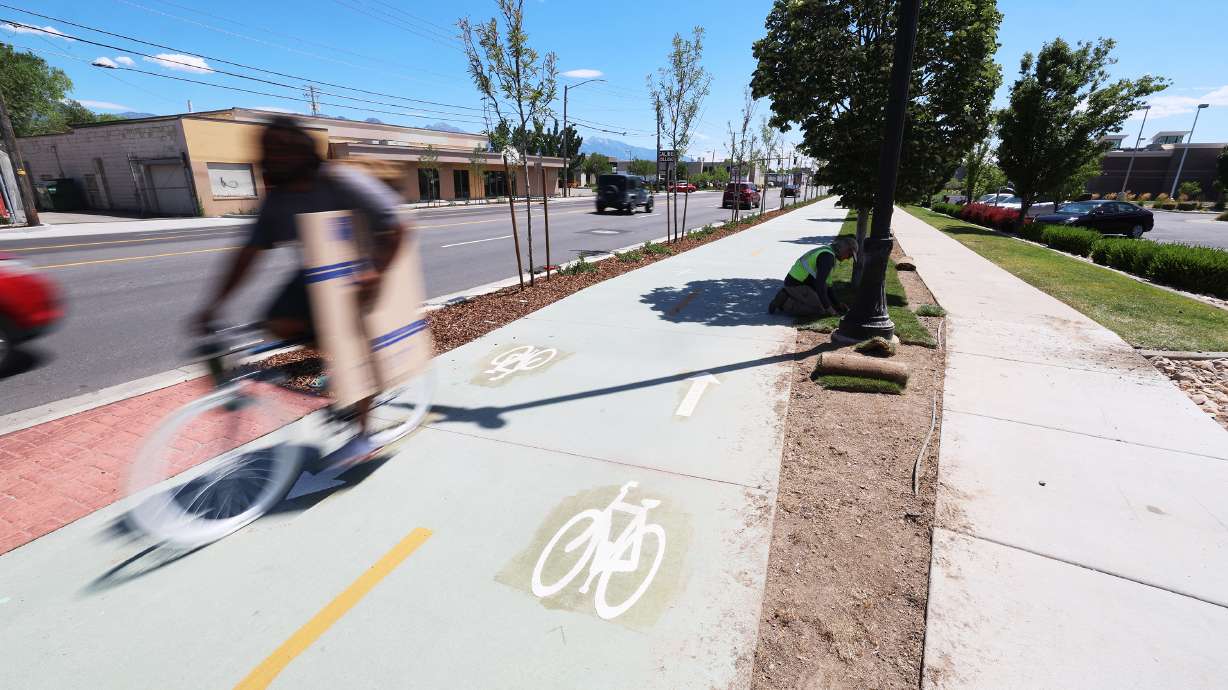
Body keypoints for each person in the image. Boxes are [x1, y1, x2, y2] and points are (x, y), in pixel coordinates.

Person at [194, 116, 408, 459]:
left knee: (351, 345)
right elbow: (248, 253)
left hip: (366, 266)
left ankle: (364, 434)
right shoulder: (278, 200)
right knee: (278, 323)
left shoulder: (340, 181)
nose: (273, 157)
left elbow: (398, 226)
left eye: (282, 149)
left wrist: (376, 272)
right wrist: (214, 305)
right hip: (319, 272)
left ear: (303, 151)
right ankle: (341, 365)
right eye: (268, 150)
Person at [767, 236, 857, 317]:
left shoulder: (829, 253)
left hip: (804, 283)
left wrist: (837, 304)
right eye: (850, 255)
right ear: (845, 249)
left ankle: (790, 295)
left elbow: (828, 286)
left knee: (825, 303)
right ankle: (784, 301)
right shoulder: (827, 257)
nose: (848, 258)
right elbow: (820, 286)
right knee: (819, 310)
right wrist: (830, 309)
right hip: (796, 285)